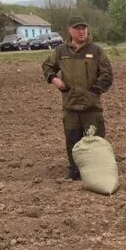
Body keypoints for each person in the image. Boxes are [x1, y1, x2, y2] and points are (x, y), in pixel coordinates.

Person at [41, 16, 113, 180]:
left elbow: (107, 75)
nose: (82, 31)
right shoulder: (61, 51)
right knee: (72, 139)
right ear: (70, 31)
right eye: (77, 28)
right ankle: (74, 171)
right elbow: (47, 66)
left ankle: (96, 171)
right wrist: (54, 79)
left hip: (91, 107)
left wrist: (94, 91)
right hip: (70, 105)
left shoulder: (96, 51)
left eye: (84, 28)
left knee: (95, 139)